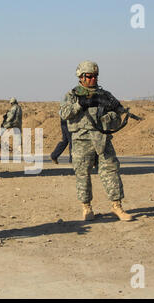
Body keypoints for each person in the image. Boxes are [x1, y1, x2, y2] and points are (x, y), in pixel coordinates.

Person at [59, 60, 133, 222]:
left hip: (102, 140)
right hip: (81, 140)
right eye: (89, 76)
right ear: (81, 77)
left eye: (95, 76)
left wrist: (109, 117)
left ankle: (117, 206)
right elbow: (64, 113)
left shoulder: (104, 95)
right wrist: (80, 105)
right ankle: (86, 207)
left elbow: (118, 112)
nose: (93, 79)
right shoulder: (72, 95)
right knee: (82, 174)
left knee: (111, 171)